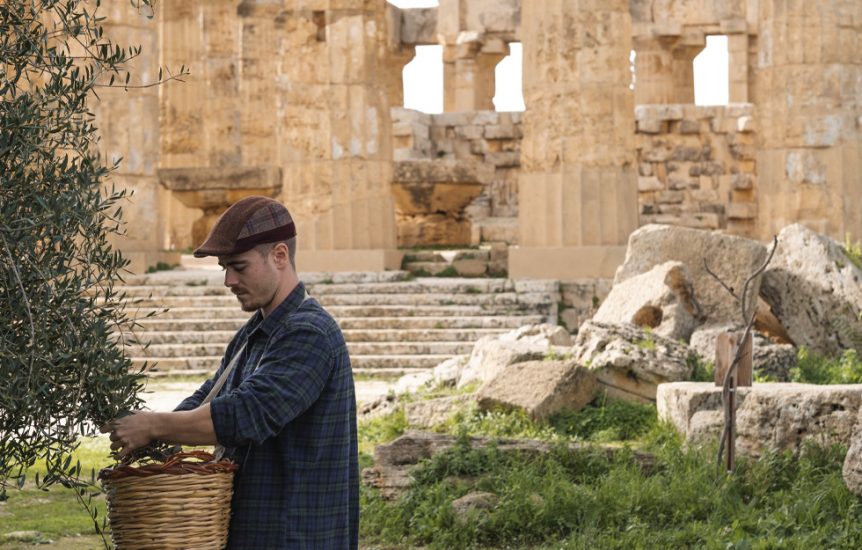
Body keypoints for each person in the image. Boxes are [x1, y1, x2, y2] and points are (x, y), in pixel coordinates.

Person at [102, 196, 359, 549]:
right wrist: (149, 437)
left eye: (239, 266)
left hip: (296, 534)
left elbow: (246, 415)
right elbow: (209, 397)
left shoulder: (309, 333)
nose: (228, 280)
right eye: (225, 267)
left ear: (280, 256)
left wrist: (154, 425)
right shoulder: (255, 331)